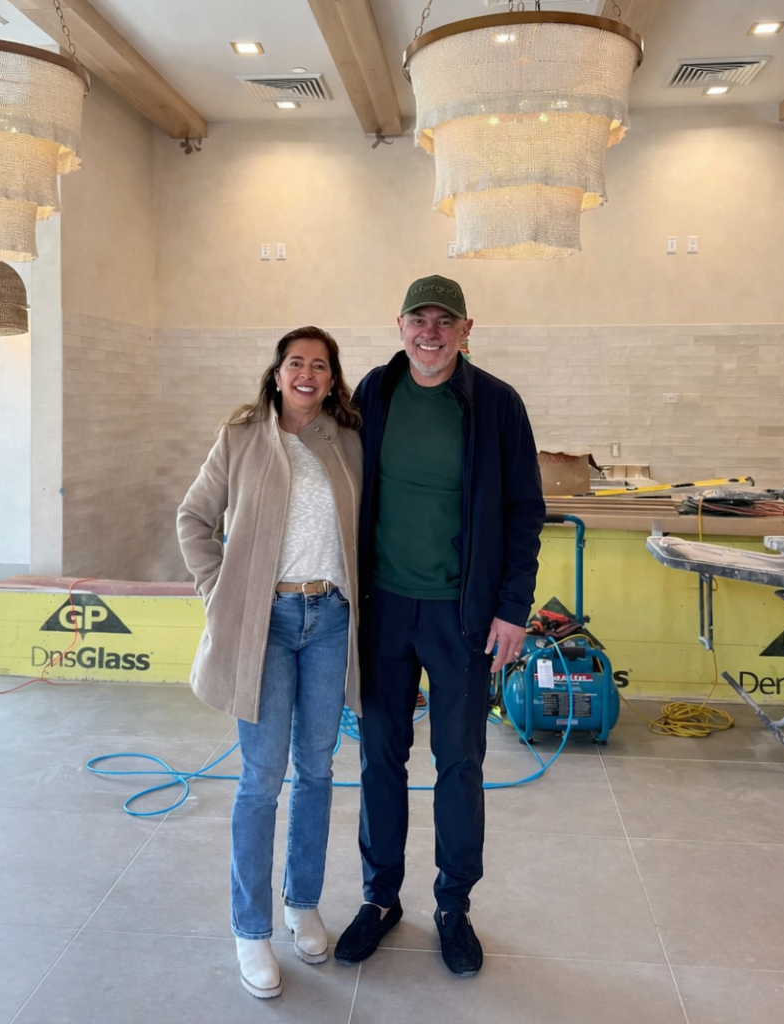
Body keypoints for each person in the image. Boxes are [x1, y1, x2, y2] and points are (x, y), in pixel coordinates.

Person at [334, 275, 546, 977]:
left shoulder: (496, 405)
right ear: (399, 325)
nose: (431, 331)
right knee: (379, 759)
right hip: (383, 610)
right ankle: (381, 898)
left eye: (444, 321)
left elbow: (523, 511)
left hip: (462, 617)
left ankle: (453, 905)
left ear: (466, 329)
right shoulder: (372, 392)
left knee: (460, 764)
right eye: (419, 319)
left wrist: (513, 607)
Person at [177, 327, 362, 999]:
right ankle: (251, 930)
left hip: (331, 620)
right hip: (267, 625)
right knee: (261, 778)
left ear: (333, 377)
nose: (307, 373)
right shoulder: (242, 438)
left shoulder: (347, 442)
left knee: (317, 768)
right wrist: (219, 592)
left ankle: (301, 902)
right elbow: (194, 519)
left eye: (320, 365)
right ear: (277, 373)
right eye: (296, 363)